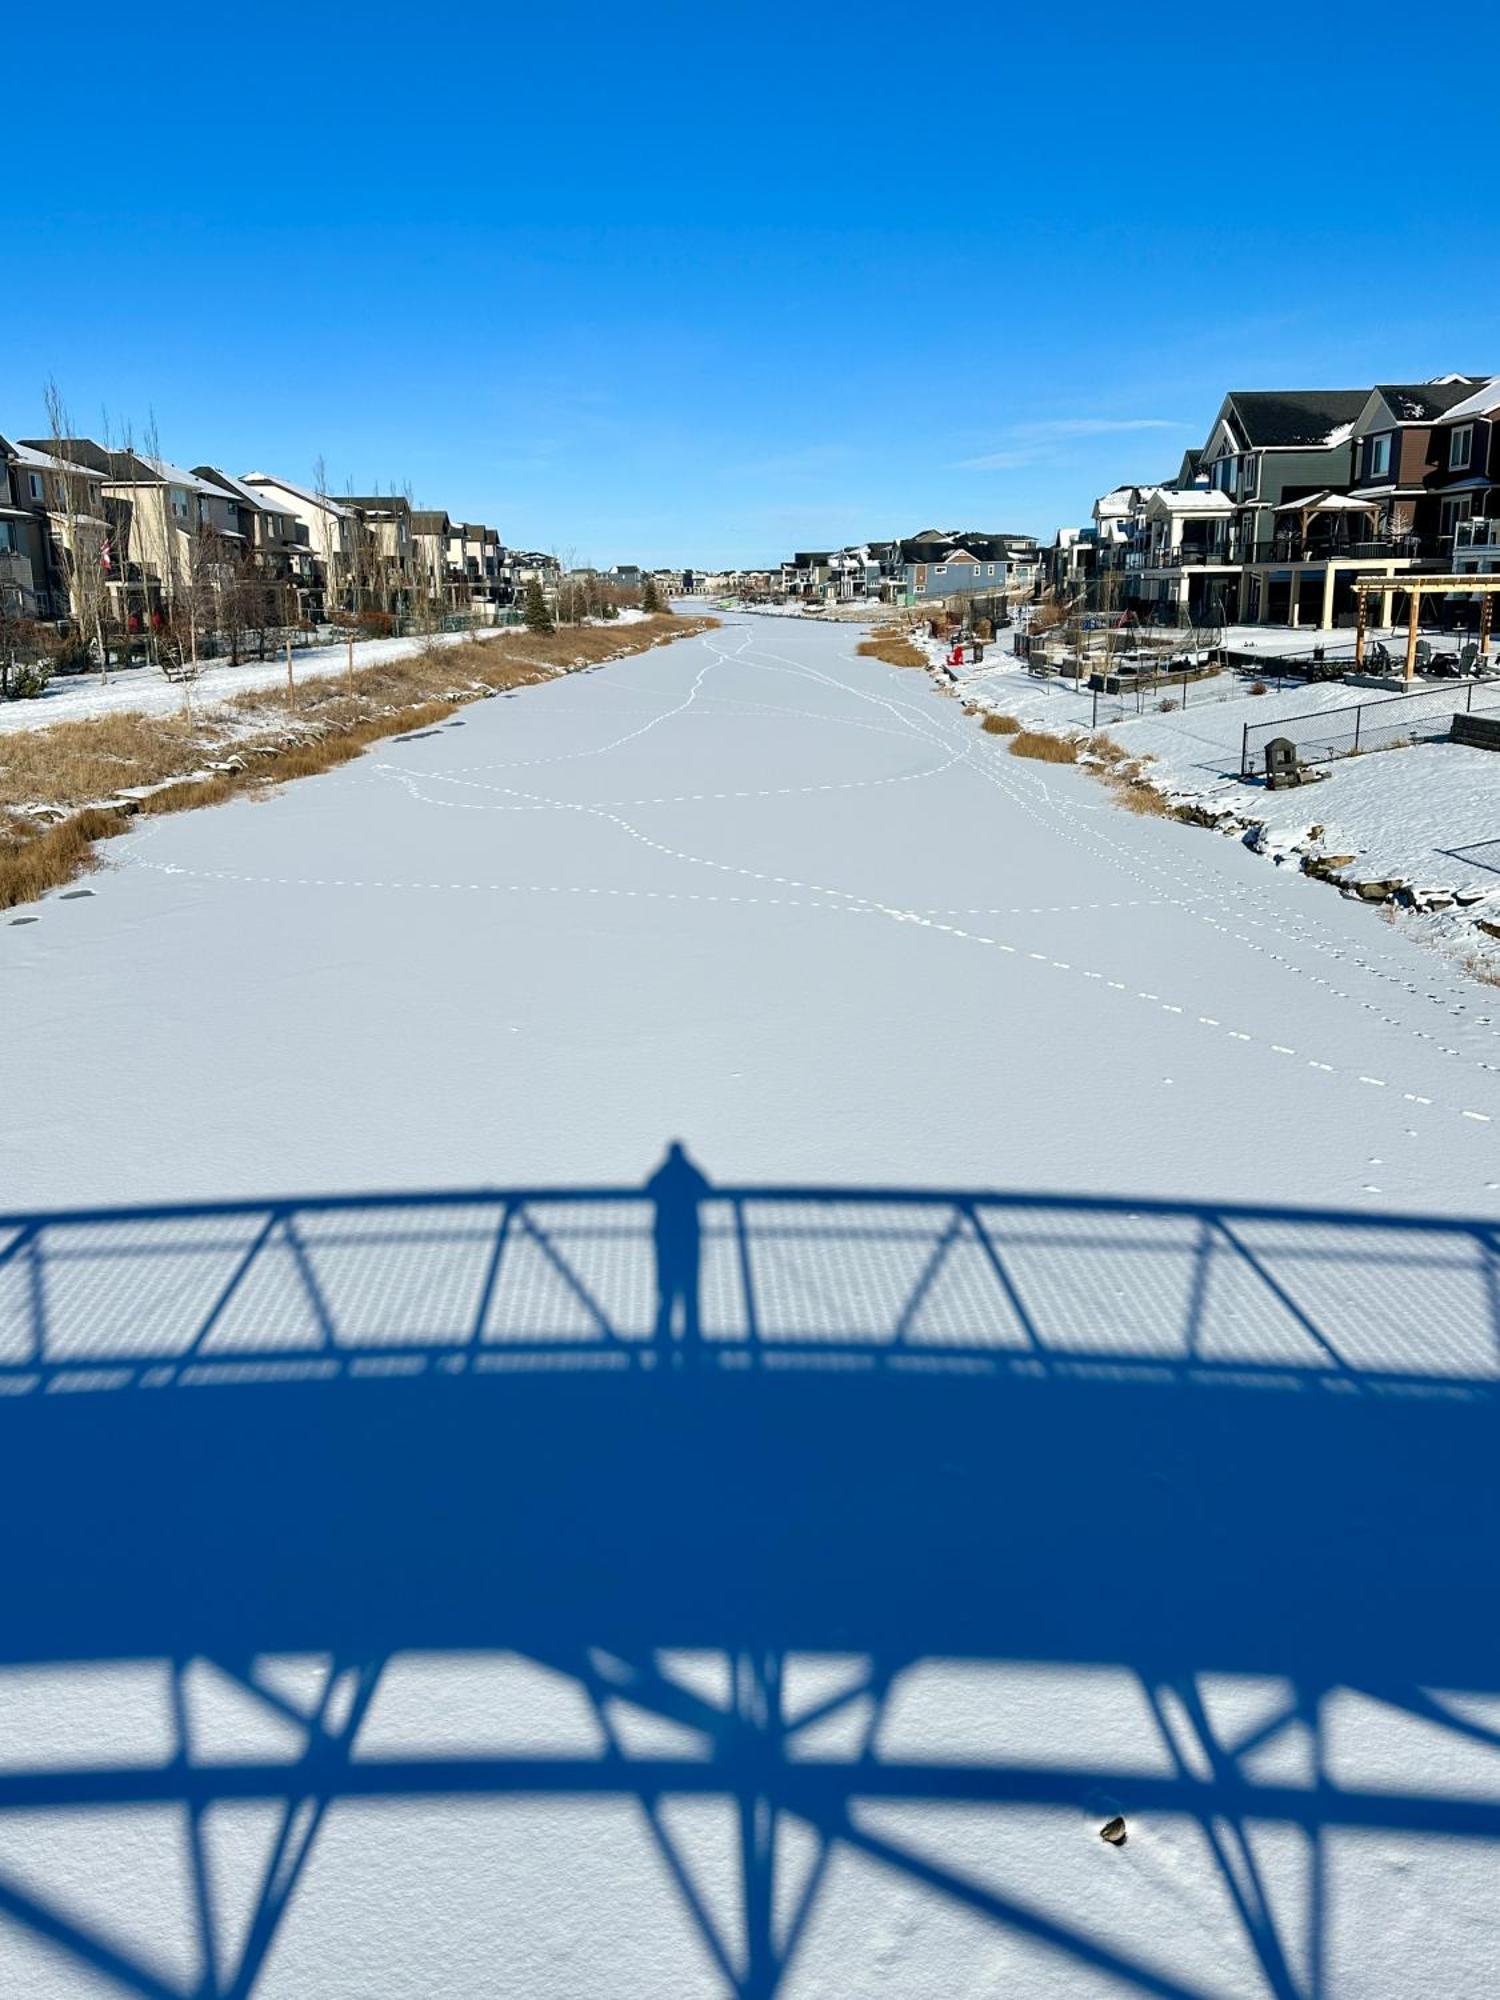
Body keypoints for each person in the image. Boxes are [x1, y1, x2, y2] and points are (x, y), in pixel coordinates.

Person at [645, 1141, 711, 1357]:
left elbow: (648, 1189)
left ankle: (662, 1343)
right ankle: (692, 1343)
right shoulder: (689, 1172)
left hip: (666, 1241)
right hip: (689, 1240)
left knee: (666, 1293)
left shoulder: (664, 1173)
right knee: (691, 1293)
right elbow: (706, 1188)